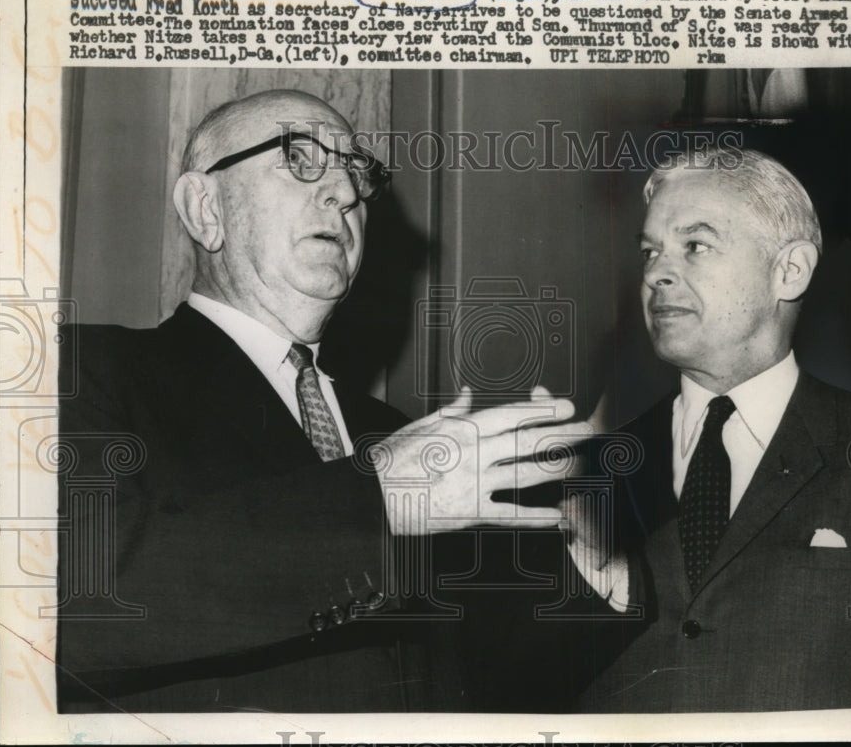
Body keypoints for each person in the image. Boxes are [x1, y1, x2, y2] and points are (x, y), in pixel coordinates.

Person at [55, 89, 591, 713]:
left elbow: (485, 679)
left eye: (358, 174)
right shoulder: (88, 370)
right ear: (205, 209)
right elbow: (75, 602)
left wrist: (595, 554)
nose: (345, 192)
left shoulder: (397, 437)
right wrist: (377, 500)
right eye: (301, 158)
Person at [563, 145, 851, 712]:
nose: (657, 274)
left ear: (789, 271)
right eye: (650, 253)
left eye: (695, 245)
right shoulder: (587, 466)